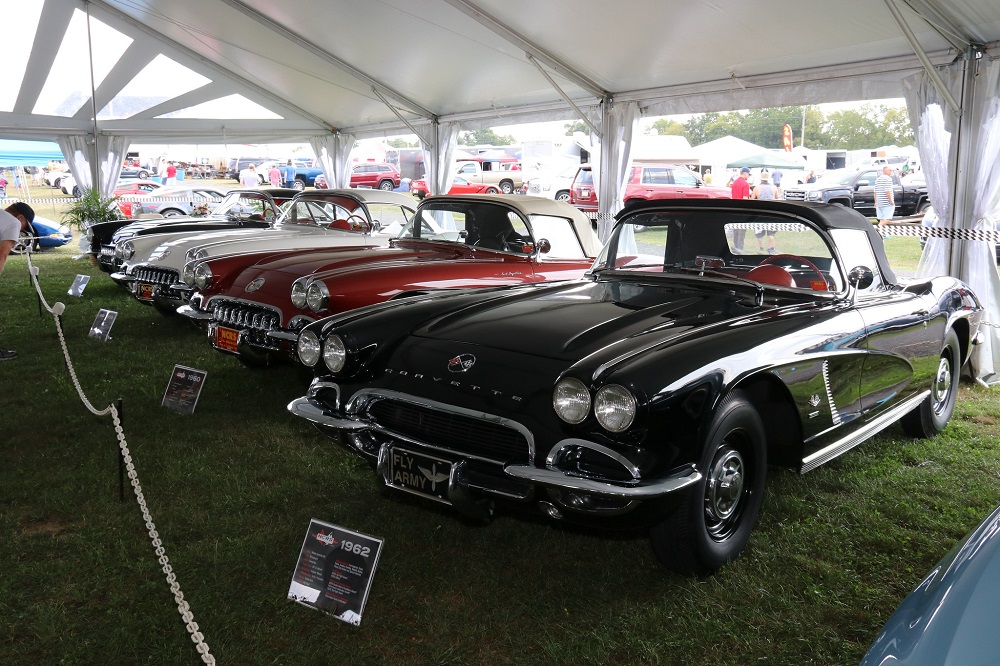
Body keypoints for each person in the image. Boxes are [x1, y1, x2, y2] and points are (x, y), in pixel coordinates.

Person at [0, 202, 36, 361]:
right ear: (20, 217)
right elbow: (1, 255)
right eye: (24, 225)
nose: (21, 230)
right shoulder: (12, 222)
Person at [750, 170, 779, 254]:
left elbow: (752, 200)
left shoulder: (756, 188)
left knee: (759, 233)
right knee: (771, 233)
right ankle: (771, 248)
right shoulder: (774, 187)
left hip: (760, 212)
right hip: (771, 213)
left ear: (761, 179)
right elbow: (777, 198)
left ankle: (761, 248)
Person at [730, 167, 752, 252]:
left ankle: (735, 247)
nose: (749, 176)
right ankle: (740, 248)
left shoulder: (735, 182)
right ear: (745, 173)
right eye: (748, 174)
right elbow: (745, 199)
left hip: (734, 209)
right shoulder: (745, 184)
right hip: (742, 209)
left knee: (735, 230)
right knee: (741, 231)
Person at [875, 165, 895, 231]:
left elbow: (875, 192)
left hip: (879, 202)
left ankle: (881, 233)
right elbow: (887, 190)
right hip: (886, 202)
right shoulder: (888, 179)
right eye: (890, 170)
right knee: (887, 219)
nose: (891, 171)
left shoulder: (878, 179)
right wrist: (891, 201)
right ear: (885, 171)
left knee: (882, 219)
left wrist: (875, 202)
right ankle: (876, 229)